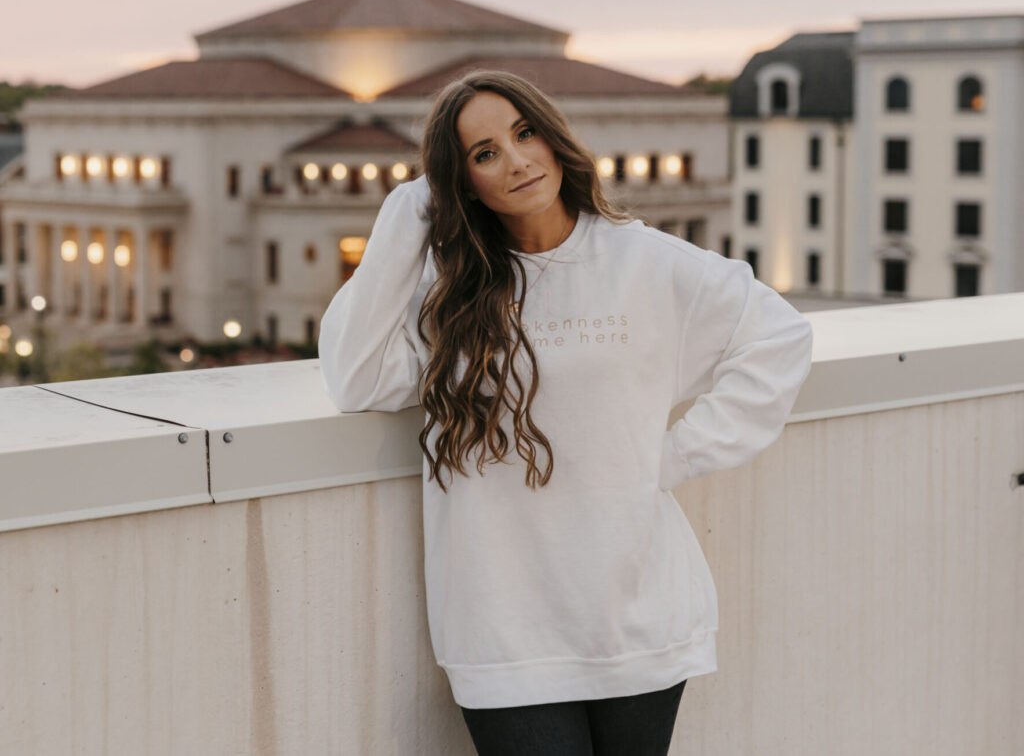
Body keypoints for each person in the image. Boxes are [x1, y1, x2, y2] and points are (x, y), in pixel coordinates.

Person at [318, 70, 814, 756]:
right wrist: (410, 212)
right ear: (461, 183)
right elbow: (353, 376)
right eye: (484, 153)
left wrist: (671, 456)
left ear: (554, 138)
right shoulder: (446, 297)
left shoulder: (641, 258)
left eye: (525, 133)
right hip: (503, 630)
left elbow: (779, 336)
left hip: (638, 617)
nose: (517, 159)